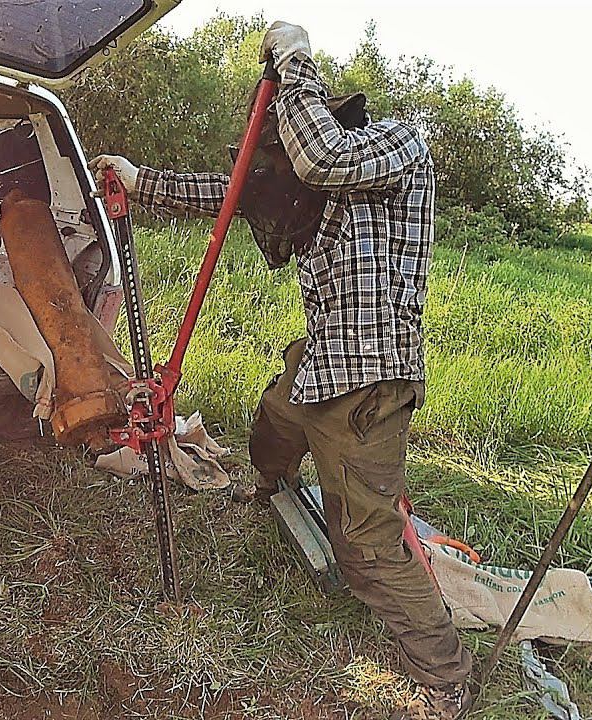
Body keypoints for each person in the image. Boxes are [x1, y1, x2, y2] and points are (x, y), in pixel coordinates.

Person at [90, 21, 473, 720]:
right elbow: (236, 190)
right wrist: (142, 183)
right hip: (322, 355)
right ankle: (269, 482)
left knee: (365, 545)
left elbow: (322, 156)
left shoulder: (397, 144)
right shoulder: (309, 184)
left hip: (368, 376)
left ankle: (446, 675)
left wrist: (294, 59)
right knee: (272, 420)